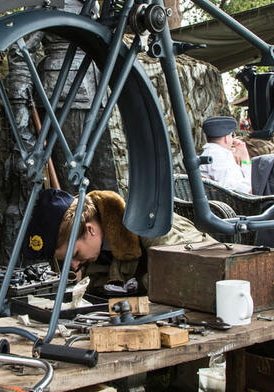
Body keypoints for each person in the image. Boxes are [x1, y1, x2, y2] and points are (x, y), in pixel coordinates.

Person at [53, 189, 206, 294]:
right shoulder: (94, 252)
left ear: (90, 230)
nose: (73, 265)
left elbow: (190, 272)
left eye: (76, 254)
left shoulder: (149, 225)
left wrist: (140, 284)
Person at [199, 115, 252, 193]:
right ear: (226, 138)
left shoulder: (211, 153)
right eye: (231, 136)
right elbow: (242, 190)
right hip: (237, 202)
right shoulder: (219, 155)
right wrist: (245, 159)